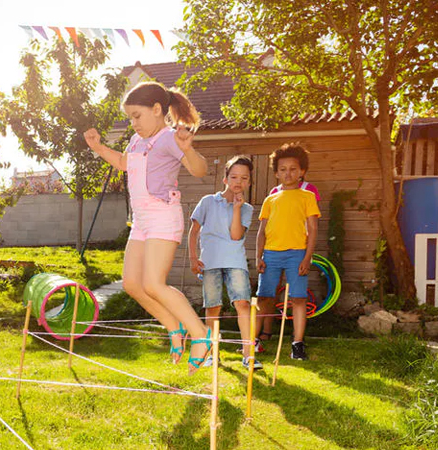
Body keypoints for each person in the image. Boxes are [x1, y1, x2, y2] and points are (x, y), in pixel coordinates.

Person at [84, 81, 212, 375]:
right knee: (132, 284)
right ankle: (174, 327)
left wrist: (188, 150)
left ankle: (201, 335)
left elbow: (200, 170)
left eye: (137, 116)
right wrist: (98, 147)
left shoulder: (169, 138)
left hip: (163, 216)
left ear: (157, 110)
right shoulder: (136, 141)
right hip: (141, 221)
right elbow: (121, 162)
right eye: (130, 117)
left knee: (154, 283)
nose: (134, 122)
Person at [188, 155, 261, 369]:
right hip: (209, 261)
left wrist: (237, 209)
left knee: (243, 304)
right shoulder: (208, 201)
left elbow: (236, 236)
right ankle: (212, 354)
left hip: (235, 261)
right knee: (213, 307)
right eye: (234, 176)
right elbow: (194, 232)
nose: (239, 182)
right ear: (225, 178)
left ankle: (248, 355)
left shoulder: (247, 209)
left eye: (244, 178)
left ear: (249, 182)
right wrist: (193, 258)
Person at [255, 143, 320, 361]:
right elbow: (261, 231)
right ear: (276, 173)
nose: (288, 173)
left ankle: (297, 344)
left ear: (301, 172)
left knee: (298, 299)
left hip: (297, 254)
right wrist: (258, 257)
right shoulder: (270, 199)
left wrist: (307, 257)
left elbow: (312, 229)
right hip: (271, 254)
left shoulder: (307, 197)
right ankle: (253, 341)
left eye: (293, 169)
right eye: (283, 169)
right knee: (264, 297)